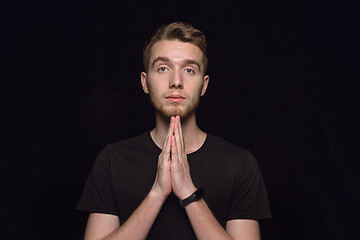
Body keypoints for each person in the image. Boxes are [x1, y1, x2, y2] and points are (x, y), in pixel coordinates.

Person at [77, 22, 271, 240]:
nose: (176, 81)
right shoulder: (112, 160)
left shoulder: (240, 164)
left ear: (204, 85)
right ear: (145, 82)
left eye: (189, 70)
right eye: (163, 68)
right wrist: (157, 193)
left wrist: (188, 191)